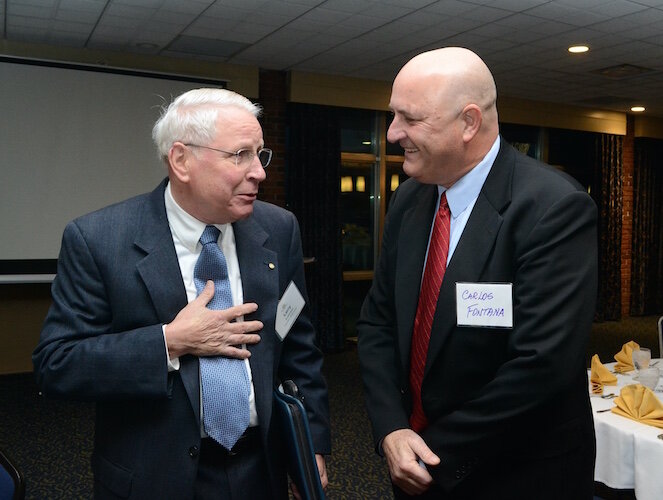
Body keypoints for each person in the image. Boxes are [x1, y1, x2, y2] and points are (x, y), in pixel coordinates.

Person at [33, 88, 330, 499]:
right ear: (181, 160)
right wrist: (169, 343)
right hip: (155, 476)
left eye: (260, 154)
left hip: (262, 469)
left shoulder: (279, 230)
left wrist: (310, 444)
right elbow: (57, 365)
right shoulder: (99, 239)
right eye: (239, 155)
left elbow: (298, 343)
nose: (258, 172)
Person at [357, 47, 597, 499]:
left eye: (409, 119)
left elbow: (541, 366)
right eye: (393, 116)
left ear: (469, 122)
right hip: (413, 463)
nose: (392, 134)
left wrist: (430, 450)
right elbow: (377, 324)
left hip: (516, 474)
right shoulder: (410, 200)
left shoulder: (552, 208)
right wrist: (391, 429)